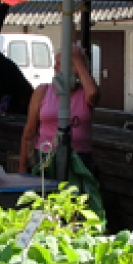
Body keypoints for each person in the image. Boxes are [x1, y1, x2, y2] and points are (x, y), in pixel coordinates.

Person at [18, 43, 99, 173]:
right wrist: (22, 166)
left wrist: (77, 59)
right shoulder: (43, 91)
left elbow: (93, 94)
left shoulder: (84, 93)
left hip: (80, 157)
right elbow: (30, 130)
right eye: (55, 63)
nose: (55, 67)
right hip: (47, 155)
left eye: (61, 64)